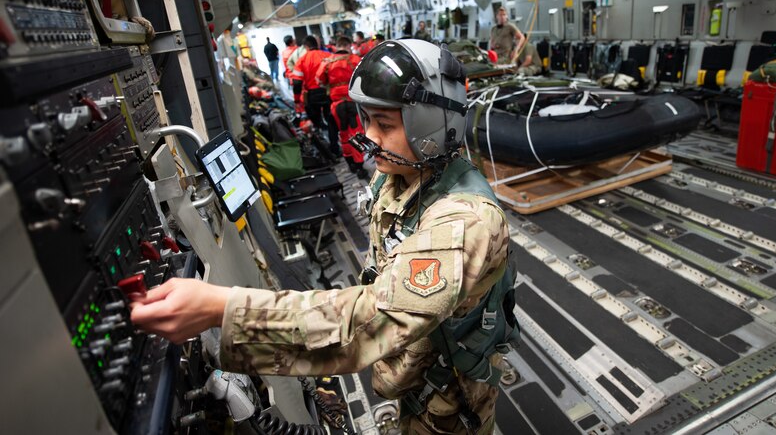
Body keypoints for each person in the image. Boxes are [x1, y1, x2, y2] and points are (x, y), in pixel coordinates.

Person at [129, 39, 519, 434]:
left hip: (450, 400)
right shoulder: (399, 174)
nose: (369, 136)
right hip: (414, 370)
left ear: (433, 126)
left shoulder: (467, 223)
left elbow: (372, 321)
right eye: (366, 119)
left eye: (384, 125)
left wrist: (224, 310)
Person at [316, 35, 368, 178]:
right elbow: (365, 78)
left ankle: (349, 161)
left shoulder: (327, 62)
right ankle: (359, 165)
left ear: (337, 46)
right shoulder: (356, 60)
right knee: (357, 133)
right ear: (348, 46)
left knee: (343, 133)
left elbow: (319, 80)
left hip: (337, 105)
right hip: (353, 102)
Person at [295, 36, 338, 156]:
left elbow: (297, 82)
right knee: (331, 121)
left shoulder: (302, 60)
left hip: (312, 95)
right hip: (327, 92)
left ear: (306, 47)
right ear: (317, 44)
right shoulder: (328, 56)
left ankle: (323, 148)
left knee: (316, 122)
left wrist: (297, 99)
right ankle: (335, 147)